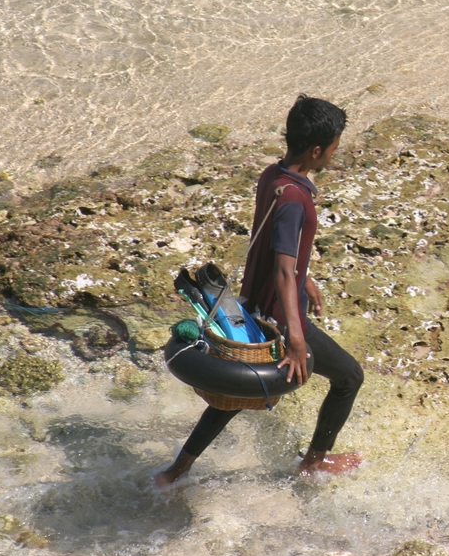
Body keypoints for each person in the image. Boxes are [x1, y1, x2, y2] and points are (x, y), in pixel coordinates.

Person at [155, 96, 364, 488]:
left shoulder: (274, 176)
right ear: (316, 149)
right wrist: (296, 339)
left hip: (251, 305)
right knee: (350, 377)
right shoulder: (296, 200)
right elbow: (283, 272)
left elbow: (275, 248)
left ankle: (174, 472)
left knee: (231, 399)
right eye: (335, 146)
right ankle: (314, 463)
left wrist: (306, 278)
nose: (337, 153)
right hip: (280, 317)